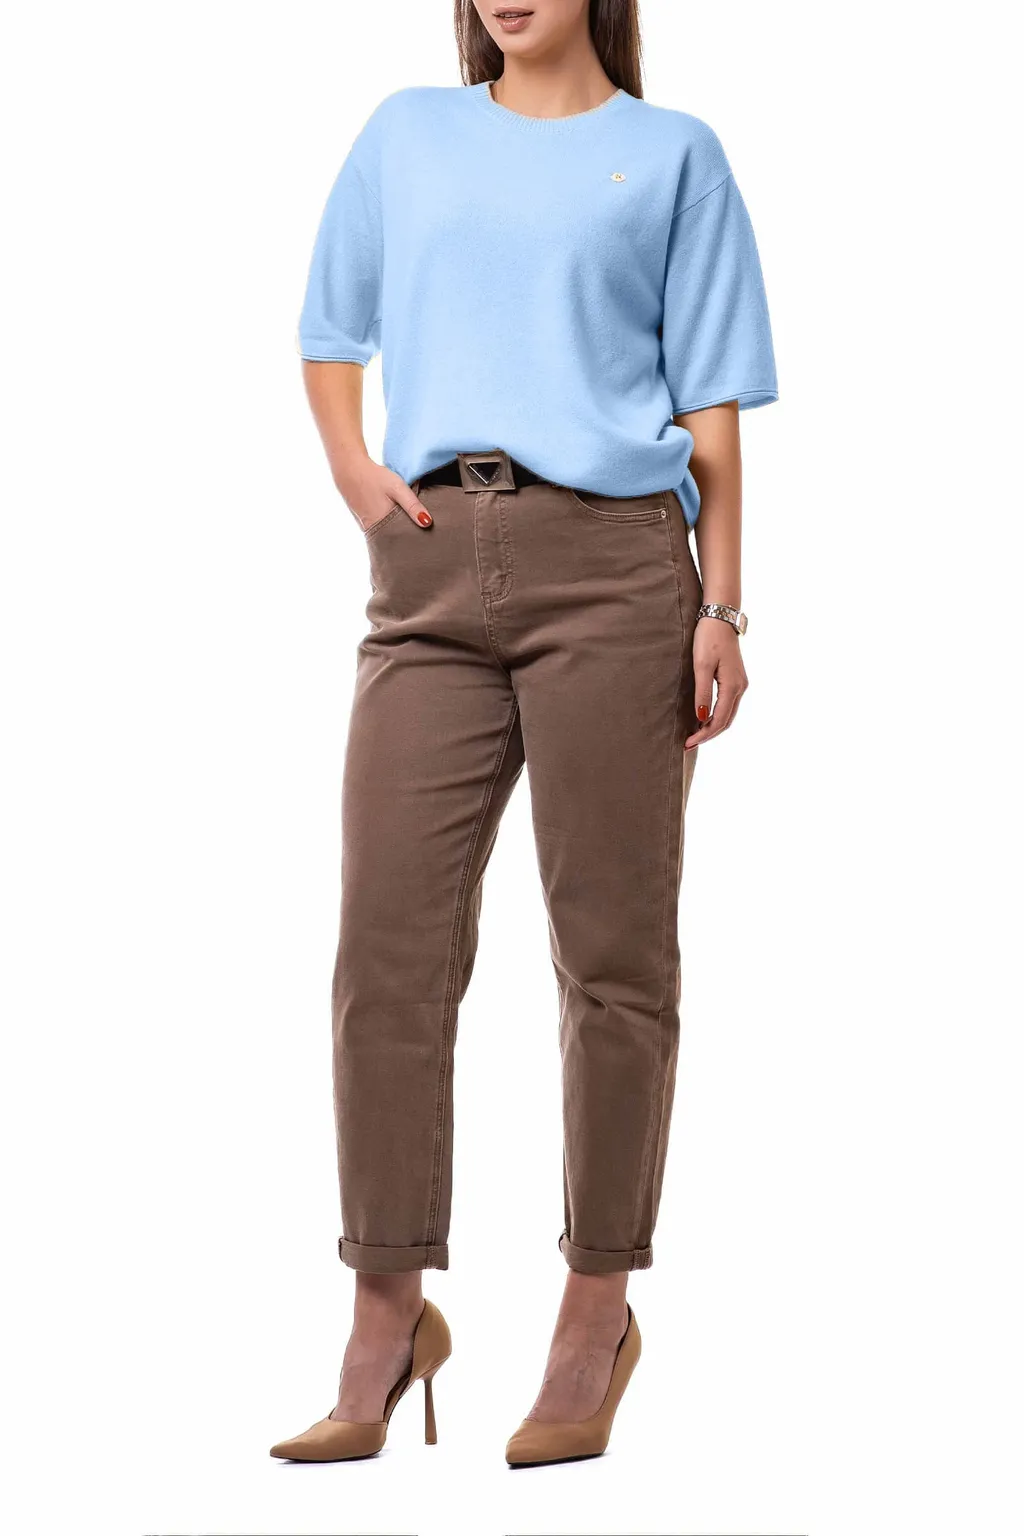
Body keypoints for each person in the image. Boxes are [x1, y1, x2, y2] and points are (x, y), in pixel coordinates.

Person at [271, 0, 776, 1468]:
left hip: (617, 571)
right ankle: (387, 1314)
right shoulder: (407, 134)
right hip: (427, 573)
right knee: (385, 948)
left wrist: (722, 608)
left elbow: (714, 411)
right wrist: (357, 475)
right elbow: (329, 332)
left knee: (612, 956)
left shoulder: (674, 156)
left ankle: (595, 1312)